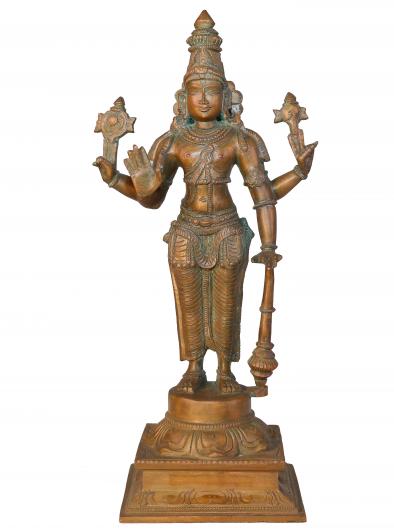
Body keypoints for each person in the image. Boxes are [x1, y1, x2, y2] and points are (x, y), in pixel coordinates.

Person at [93, 11, 315, 394]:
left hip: (227, 230)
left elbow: (263, 196)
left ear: (226, 97)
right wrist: (117, 179)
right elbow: (152, 199)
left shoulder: (239, 139)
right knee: (189, 302)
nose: (204, 98)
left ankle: (225, 370)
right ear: (184, 98)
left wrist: (296, 176)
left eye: (212, 90)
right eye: (196, 91)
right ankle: (194, 367)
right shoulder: (172, 142)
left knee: (227, 303)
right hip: (186, 230)